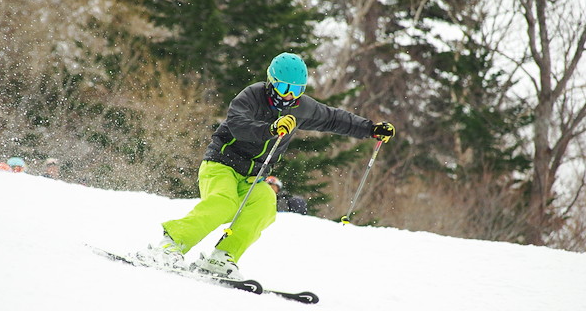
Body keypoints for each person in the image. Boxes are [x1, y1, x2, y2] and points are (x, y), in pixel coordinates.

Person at [137, 52, 395, 279]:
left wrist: (370, 128)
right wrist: (269, 129)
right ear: (271, 82)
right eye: (283, 87)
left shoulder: (300, 107)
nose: (289, 96)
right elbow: (238, 124)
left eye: (297, 89)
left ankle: (222, 257)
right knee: (224, 204)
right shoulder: (252, 95)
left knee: (264, 206)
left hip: (254, 176)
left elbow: (334, 118)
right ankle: (170, 246)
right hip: (222, 165)